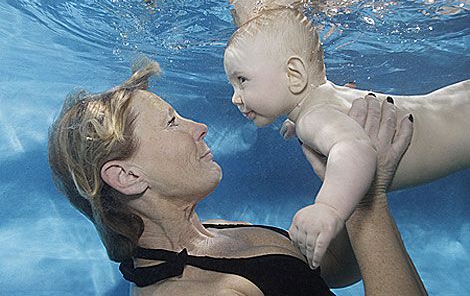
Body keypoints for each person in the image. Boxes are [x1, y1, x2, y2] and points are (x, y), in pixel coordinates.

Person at [48, 60, 426, 295]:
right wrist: (368, 202)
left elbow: (328, 273)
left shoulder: (212, 232)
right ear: (126, 176)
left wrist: (346, 182)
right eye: (171, 122)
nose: (200, 127)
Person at [223, 0, 470, 269]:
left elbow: (355, 149)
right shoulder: (323, 101)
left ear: (294, 74)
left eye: (242, 80)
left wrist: (328, 208)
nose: (234, 97)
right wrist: (295, 121)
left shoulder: (313, 119)